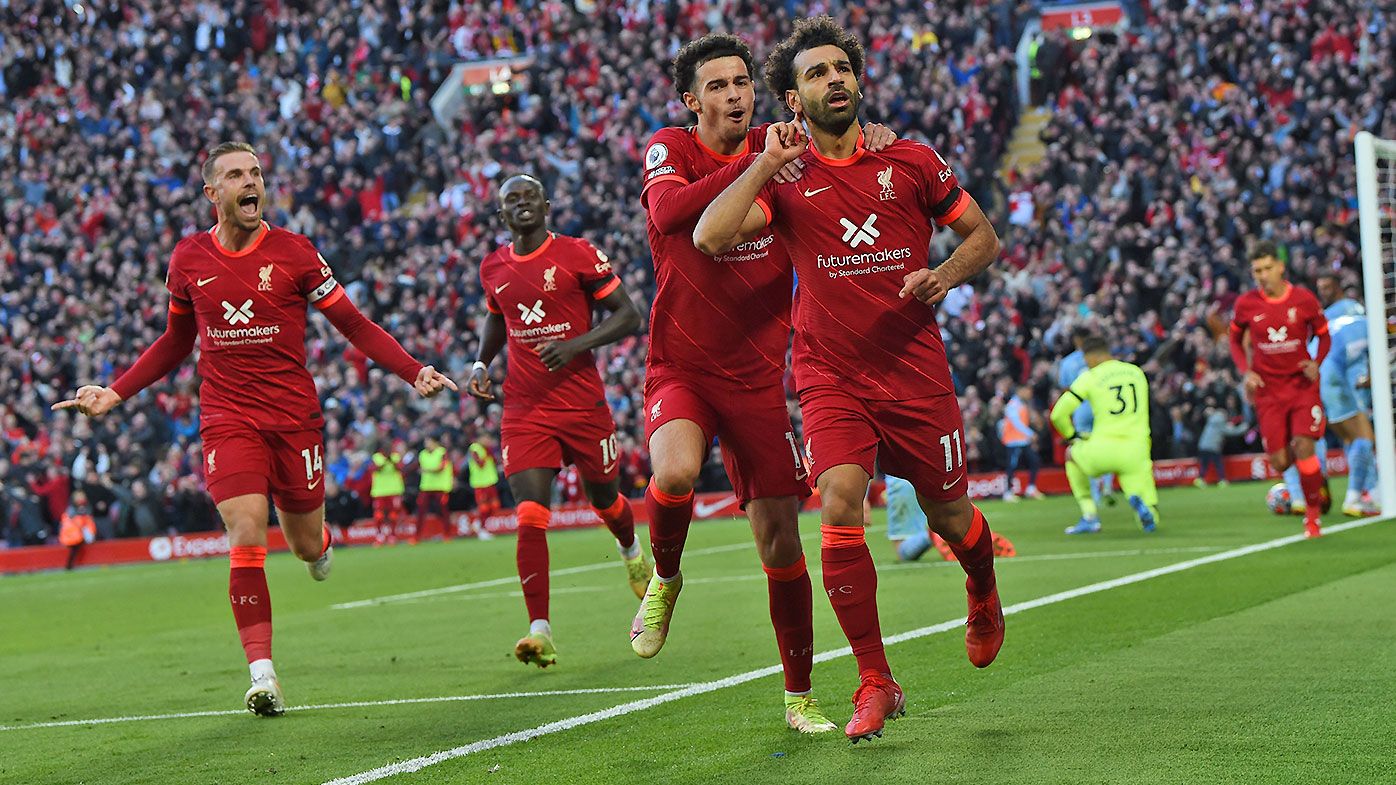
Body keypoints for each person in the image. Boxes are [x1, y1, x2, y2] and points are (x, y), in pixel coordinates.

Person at [51, 141, 456, 716]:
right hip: (227, 419)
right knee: (245, 531)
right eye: (237, 174)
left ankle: (320, 547)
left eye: (257, 173)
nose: (252, 182)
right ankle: (263, 674)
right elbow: (174, 342)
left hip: (295, 420)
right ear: (212, 192)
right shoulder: (188, 260)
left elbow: (353, 324)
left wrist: (412, 371)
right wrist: (114, 392)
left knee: (304, 544)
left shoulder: (295, 253)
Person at [694, 16, 1005, 742]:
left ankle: (983, 589)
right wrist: (765, 165)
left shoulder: (912, 160)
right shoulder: (788, 178)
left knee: (951, 519)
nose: (835, 79)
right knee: (838, 501)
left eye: (841, 68)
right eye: (816, 73)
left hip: (915, 371)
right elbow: (710, 236)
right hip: (830, 374)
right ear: (793, 99)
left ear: (857, 79)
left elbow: (983, 237)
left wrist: (944, 276)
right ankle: (876, 679)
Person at [631, 32, 895, 735]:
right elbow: (670, 217)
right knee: (677, 472)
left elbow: (852, 154)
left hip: (757, 376)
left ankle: (799, 696)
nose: (734, 94)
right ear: (692, 101)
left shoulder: (787, 150)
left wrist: (872, 139)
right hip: (681, 365)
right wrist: (761, 164)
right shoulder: (671, 149)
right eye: (717, 86)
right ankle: (665, 575)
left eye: (742, 82)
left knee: (782, 542)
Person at [467, 174, 650, 669]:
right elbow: (495, 316)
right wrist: (482, 363)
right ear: (502, 215)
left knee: (605, 498)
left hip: (581, 403)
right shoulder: (493, 267)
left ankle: (632, 548)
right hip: (524, 409)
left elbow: (630, 316)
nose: (522, 205)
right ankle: (539, 630)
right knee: (530, 513)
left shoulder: (576, 254)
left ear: (546, 206)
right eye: (512, 200)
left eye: (530, 197)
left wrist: (574, 345)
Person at [1227, 241, 1331, 538]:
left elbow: (1324, 337)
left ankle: (1312, 519)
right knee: (1281, 461)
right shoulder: (1246, 304)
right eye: (1257, 270)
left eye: (1268, 268)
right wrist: (1246, 372)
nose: (1262, 275)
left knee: (1303, 447)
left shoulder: (1304, 299)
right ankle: (1315, 481)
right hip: (1268, 391)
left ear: (1281, 267)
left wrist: (1317, 362)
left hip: (1301, 387)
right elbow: (1235, 341)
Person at [1282, 274, 1378, 517]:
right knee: (1364, 436)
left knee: (1346, 438)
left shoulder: (1332, 319)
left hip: (1314, 376)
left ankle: (1369, 492)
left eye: (1326, 287)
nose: (1323, 292)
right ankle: (1356, 497)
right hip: (1331, 377)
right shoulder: (1366, 320)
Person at [1048, 334, 1160, 533]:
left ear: (1092, 357)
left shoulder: (1090, 377)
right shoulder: (1136, 373)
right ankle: (1147, 511)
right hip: (1137, 449)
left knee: (1071, 455)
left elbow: (1058, 414)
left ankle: (1089, 515)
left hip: (1103, 447)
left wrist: (1072, 436)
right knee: (1140, 490)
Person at [1058, 326, 1116, 504]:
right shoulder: (1102, 359)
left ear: (1076, 340)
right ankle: (1106, 484)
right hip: (1102, 408)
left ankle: (1094, 495)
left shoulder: (1068, 362)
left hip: (1081, 410)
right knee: (1107, 446)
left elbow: (1066, 389)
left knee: (1083, 450)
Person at [998, 385, 1043, 501]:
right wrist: (1030, 433)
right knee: (1012, 466)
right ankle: (1008, 492)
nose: (1029, 394)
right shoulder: (1013, 405)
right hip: (1013, 441)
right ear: (1020, 391)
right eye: (1027, 391)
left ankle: (1031, 488)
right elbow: (1016, 423)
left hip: (1022, 440)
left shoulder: (1021, 404)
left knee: (1034, 461)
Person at [417, 436, 455, 540]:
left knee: (443, 511)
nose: (426, 444)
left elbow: (441, 467)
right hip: (426, 486)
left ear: (435, 442)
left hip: (440, 486)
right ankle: (417, 536)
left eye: (428, 441)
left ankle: (447, 534)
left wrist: (427, 470)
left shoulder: (442, 452)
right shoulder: (422, 454)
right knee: (420, 511)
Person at [370, 442, 406, 544]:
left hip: (394, 489)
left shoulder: (395, 457)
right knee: (379, 514)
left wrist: (391, 461)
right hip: (380, 490)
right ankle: (379, 535)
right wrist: (385, 461)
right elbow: (375, 469)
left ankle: (392, 535)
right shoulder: (376, 457)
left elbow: (400, 468)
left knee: (393, 514)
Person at [467, 436, 502, 534]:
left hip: (490, 481)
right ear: (480, 439)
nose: (488, 441)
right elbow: (480, 464)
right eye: (486, 439)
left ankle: (478, 523)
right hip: (480, 483)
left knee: (495, 506)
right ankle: (482, 529)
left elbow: (495, 461)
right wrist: (487, 453)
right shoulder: (474, 448)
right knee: (484, 507)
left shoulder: (488, 449)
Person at [58, 490, 97, 570]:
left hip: (83, 529)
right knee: (74, 547)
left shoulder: (87, 506)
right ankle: (69, 565)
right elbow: (70, 519)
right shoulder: (72, 508)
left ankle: (70, 564)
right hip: (75, 531)